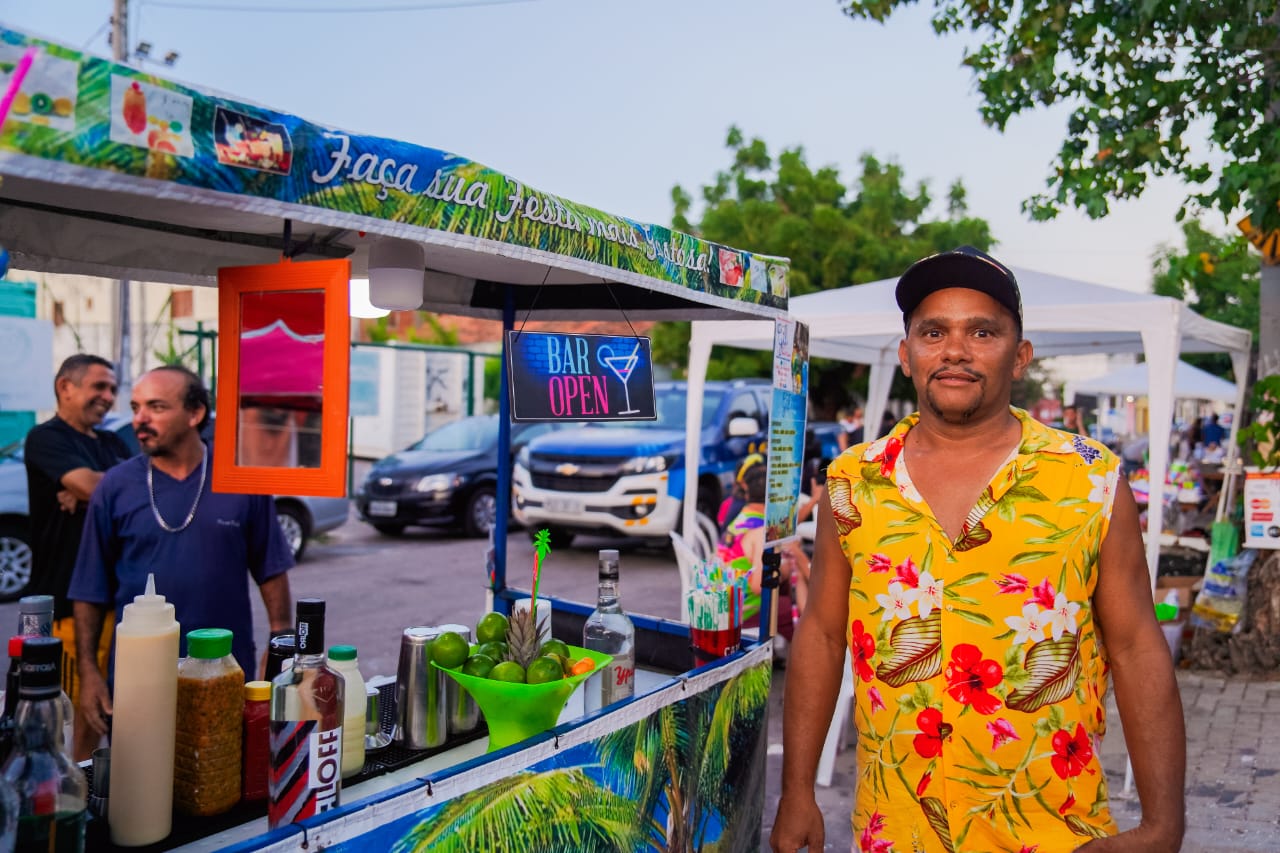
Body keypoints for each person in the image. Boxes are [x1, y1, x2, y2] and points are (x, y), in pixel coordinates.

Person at [771, 246, 1185, 852]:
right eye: (933, 332)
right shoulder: (852, 482)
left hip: (1052, 826)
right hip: (897, 829)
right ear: (907, 355)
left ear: (1020, 357)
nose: (955, 350)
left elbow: (1136, 648)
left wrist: (1164, 825)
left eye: (981, 331)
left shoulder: (1091, 479)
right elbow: (824, 635)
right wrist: (798, 790)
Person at [69, 366, 295, 742]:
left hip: (224, 670)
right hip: (137, 678)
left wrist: (279, 645)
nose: (140, 418)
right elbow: (90, 588)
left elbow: (271, 568)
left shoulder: (242, 479)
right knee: (142, 785)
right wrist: (89, 672)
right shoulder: (115, 486)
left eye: (156, 407)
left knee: (221, 778)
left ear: (195, 414)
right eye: (136, 406)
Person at [23, 354, 132, 761]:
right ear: (65, 387)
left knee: (111, 706)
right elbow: (94, 485)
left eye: (112, 389)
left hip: (112, 598)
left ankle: (100, 796)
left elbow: (139, 482)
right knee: (74, 715)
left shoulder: (110, 442)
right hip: (66, 600)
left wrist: (94, 492)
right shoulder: (46, 437)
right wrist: (96, 489)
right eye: (98, 386)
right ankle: (67, 806)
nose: (108, 397)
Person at [717, 462, 808, 641]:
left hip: (725, 604)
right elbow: (758, 585)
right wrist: (786, 568)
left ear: (747, 492)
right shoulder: (760, 531)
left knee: (785, 594)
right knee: (802, 618)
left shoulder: (741, 520)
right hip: (742, 610)